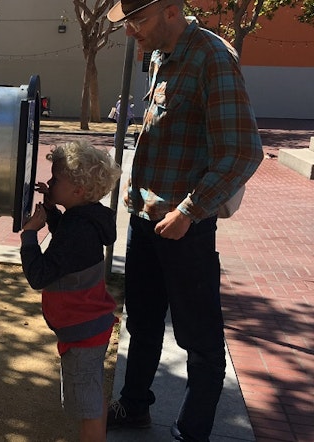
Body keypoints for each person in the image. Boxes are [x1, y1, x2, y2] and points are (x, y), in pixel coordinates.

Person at [105, 0, 263, 440]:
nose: (131, 31)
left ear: (171, 10)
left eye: (138, 20)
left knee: (200, 341)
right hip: (145, 221)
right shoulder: (159, 55)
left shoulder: (212, 57)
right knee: (143, 322)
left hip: (183, 229)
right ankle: (134, 406)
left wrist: (188, 212)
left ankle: (192, 431)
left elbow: (243, 151)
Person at [20, 140, 122, 442]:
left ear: (77, 191)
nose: (49, 183)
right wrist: (51, 211)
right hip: (92, 325)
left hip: (82, 332)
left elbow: (39, 275)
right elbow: (67, 238)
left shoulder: (77, 230)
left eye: (55, 180)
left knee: (86, 406)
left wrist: (29, 235)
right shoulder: (87, 218)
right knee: (92, 394)